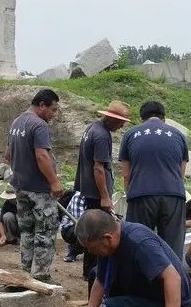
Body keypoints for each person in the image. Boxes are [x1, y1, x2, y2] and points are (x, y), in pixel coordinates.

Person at [4, 88, 65, 283]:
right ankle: (40, 275)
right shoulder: (39, 125)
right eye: (53, 110)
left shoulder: (17, 122)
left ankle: (25, 271)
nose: (53, 115)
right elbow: (41, 155)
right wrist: (54, 181)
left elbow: (8, 155)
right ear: (41, 105)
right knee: (45, 232)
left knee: (27, 231)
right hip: (39, 189)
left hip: (21, 187)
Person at [75, 209, 191, 307]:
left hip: (171, 301)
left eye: (91, 247)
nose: (90, 252)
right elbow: (100, 280)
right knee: (94, 273)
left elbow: (172, 277)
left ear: (107, 238)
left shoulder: (139, 242)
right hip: (145, 293)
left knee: (110, 306)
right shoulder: (108, 246)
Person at [119, 101, 189, 258]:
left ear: (142, 118)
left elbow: (126, 174)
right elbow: (181, 173)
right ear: (163, 118)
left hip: (140, 194)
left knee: (138, 243)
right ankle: (173, 280)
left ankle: (141, 280)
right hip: (173, 195)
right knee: (172, 247)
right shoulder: (178, 135)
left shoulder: (130, 134)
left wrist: (129, 195)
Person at [74, 100, 130, 283]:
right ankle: (95, 272)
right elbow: (98, 168)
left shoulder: (91, 128)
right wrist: (105, 197)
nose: (122, 125)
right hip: (97, 192)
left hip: (88, 189)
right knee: (99, 232)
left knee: (92, 229)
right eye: (121, 121)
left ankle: (89, 270)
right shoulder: (102, 136)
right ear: (113, 119)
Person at [59, 190, 86, 262]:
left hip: (86, 224)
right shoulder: (79, 196)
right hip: (70, 228)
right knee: (87, 230)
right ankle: (73, 250)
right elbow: (79, 220)